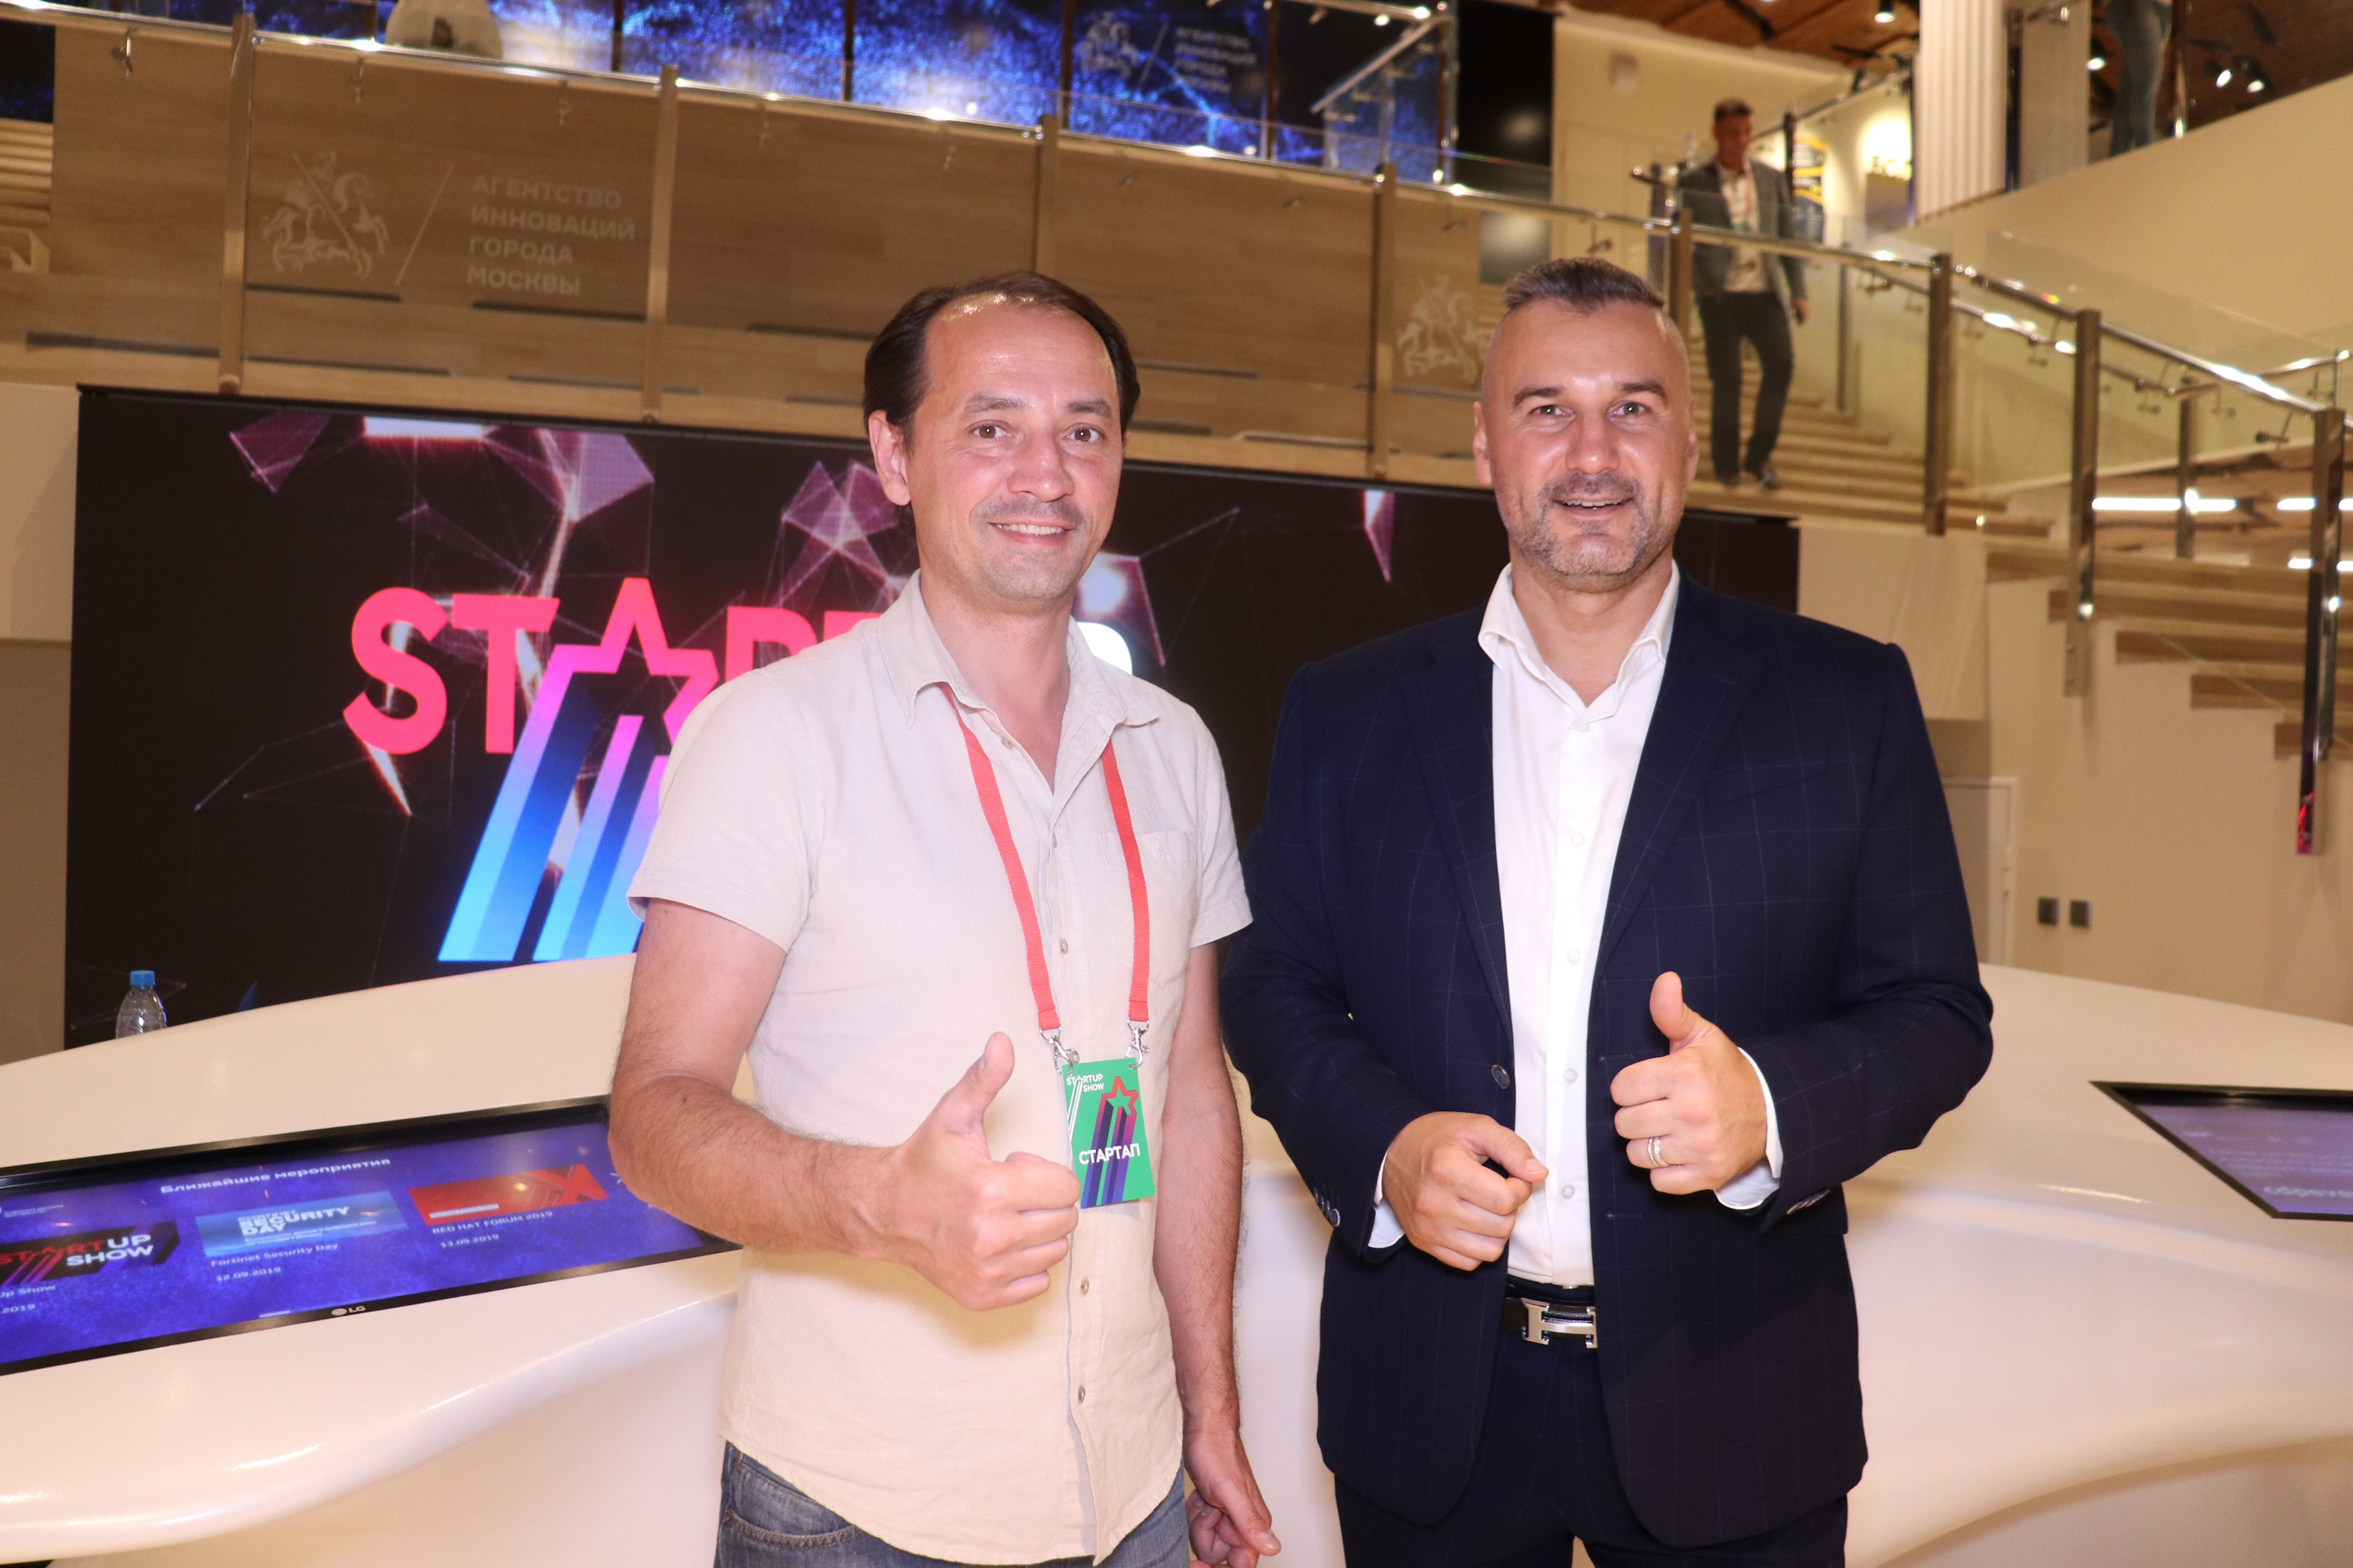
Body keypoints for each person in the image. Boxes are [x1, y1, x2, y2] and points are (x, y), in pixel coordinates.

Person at [1219, 256, 1993, 1568]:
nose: (1591, 452)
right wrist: (1389, 1150)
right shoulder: (1348, 710)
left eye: (1633, 409)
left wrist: (1772, 1103)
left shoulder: (1841, 700)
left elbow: (1936, 1012)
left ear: (1691, 442)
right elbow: (1275, 985)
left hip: (1736, 1402)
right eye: (1545, 409)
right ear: (1483, 444)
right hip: (1430, 1405)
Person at [611, 273, 1280, 1568]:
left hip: (1134, 1485)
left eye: (1084, 430)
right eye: (991, 427)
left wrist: (1208, 1411)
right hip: (861, 1506)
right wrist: (878, 1205)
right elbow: (653, 1114)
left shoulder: (1172, 748)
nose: (1046, 471)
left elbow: (1185, 1094)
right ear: (891, 456)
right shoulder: (773, 739)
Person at [1676, 98, 1808, 492]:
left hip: (1764, 291)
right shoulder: (1694, 182)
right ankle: (1726, 464)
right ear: (1717, 132)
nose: (1742, 140)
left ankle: (1759, 455)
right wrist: (1701, 283)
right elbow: (1680, 239)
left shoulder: (1770, 180)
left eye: (1747, 132)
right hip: (1720, 295)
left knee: (1781, 364)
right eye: (1734, 132)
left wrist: (1798, 290)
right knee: (1728, 378)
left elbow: (1787, 237)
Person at [2107, 0, 2174, 155]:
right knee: (2145, 85)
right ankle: (2145, 153)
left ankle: (2119, 155)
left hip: (2162, 7)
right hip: (2136, 5)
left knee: (2133, 85)